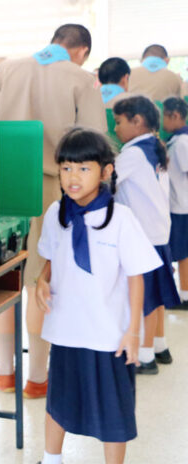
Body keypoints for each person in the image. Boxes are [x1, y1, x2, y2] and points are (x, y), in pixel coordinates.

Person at [0, 24, 106, 399]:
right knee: (41, 280)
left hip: (2, 187)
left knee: (3, 276)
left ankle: (4, 371)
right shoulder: (81, 78)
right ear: (81, 50)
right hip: (56, 189)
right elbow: (94, 143)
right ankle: (36, 377)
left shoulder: (8, 68)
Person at [35, 127, 161, 464]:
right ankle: (51, 458)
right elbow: (50, 261)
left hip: (109, 335)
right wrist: (41, 281)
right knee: (58, 400)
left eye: (84, 168)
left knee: (113, 409)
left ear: (106, 171)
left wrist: (133, 331)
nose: (73, 177)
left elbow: (137, 277)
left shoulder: (120, 218)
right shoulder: (55, 215)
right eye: (66, 168)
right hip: (65, 329)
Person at [113, 96, 180, 373]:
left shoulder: (131, 154)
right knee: (158, 295)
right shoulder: (154, 147)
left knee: (148, 299)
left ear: (137, 121)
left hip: (144, 236)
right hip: (158, 232)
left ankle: (146, 356)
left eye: (119, 122)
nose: (115, 128)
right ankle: (160, 346)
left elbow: (108, 179)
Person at [163, 97, 188, 309]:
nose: (163, 121)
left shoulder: (182, 142)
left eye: (165, 116)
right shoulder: (176, 140)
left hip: (182, 206)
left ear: (176, 116)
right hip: (177, 204)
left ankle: (185, 295)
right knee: (180, 252)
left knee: (183, 253)